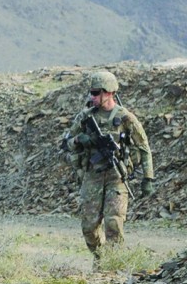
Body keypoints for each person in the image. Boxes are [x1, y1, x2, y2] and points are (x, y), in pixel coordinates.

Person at [63, 69, 154, 260]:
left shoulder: (125, 117)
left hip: (116, 176)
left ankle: (112, 265)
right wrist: (81, 139)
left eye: (96, 93)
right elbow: (66, 143)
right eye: (92, 92)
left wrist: (148, 178)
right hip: (92, 175)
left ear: (109, 92)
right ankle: (100, 257)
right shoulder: (85, 117)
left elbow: (143, 147)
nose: (92, 96)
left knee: (113, 223)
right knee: (88, 227)